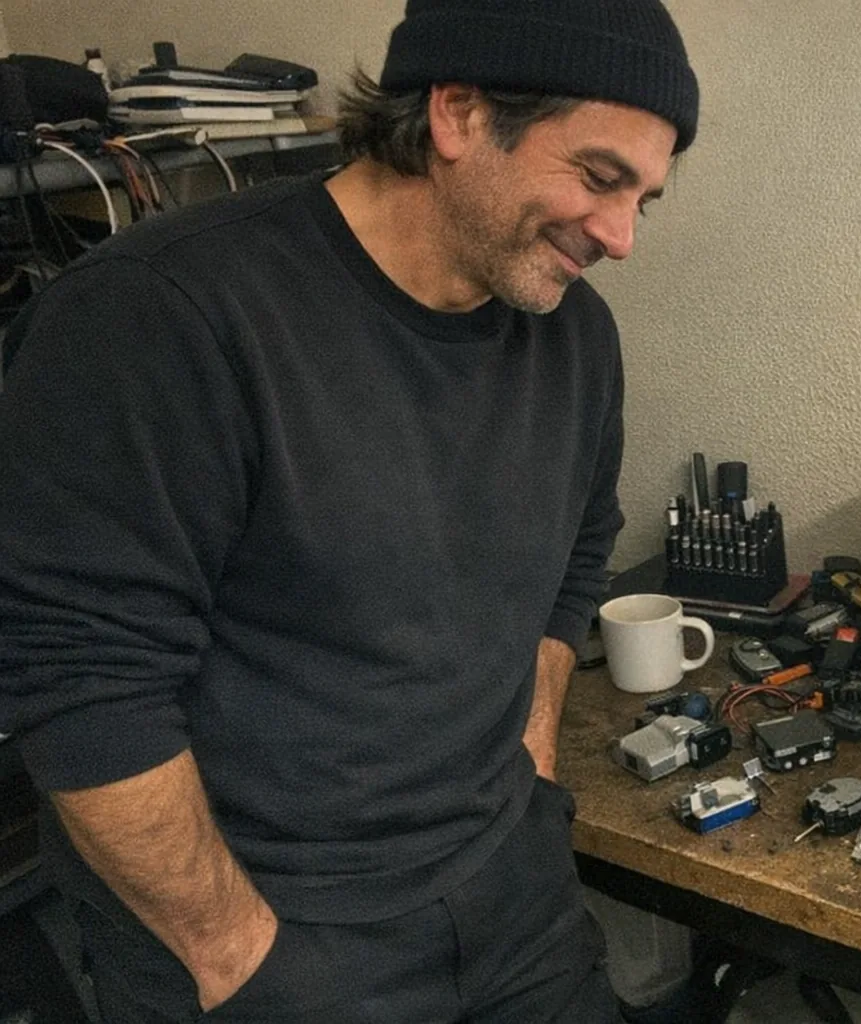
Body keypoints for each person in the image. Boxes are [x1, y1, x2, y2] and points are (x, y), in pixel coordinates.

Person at [0, 0, 698, 1020]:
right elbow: (78, 680)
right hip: (270, 930)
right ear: (457, 112)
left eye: (645, 197)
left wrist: (533, 760)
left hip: (513, 893)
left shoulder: (575, 338)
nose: (622, 236)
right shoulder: (159, 317)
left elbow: (577, 556)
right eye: (598, 177)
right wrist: (237, 954)